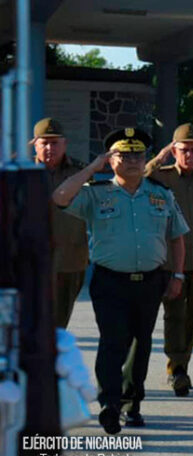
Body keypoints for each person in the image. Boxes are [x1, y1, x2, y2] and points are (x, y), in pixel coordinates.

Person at [53, 127, 188, 434]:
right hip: (110, 281)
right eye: (123, 155)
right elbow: (59, 197)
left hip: (151, 281)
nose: (132, 161)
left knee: (141, 345)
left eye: (138, 155)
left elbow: (178, 237)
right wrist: (91, 168)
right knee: (113, 341)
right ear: (110, 160)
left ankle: (132, 403)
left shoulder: (161, 193)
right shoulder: (95, 193)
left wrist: (178, 274)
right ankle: (109, 405)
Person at [144, 123, 193, 397]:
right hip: (170, 261)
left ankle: (181, 365)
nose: (189, 155)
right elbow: (138, 176)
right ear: (174, 151)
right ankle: (177, 369)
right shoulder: (162, 178)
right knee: (174, 315)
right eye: (184, 150)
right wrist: (161, 155)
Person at [31, 118, 89, 329]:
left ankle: (51, 361)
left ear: (65, 144)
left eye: (55, 143)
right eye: (44, 142)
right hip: (30, 263)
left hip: (70, 260)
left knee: (58, 325)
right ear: (34, 144)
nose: (49, 148)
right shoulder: (20, 173)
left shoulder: (80, 173)